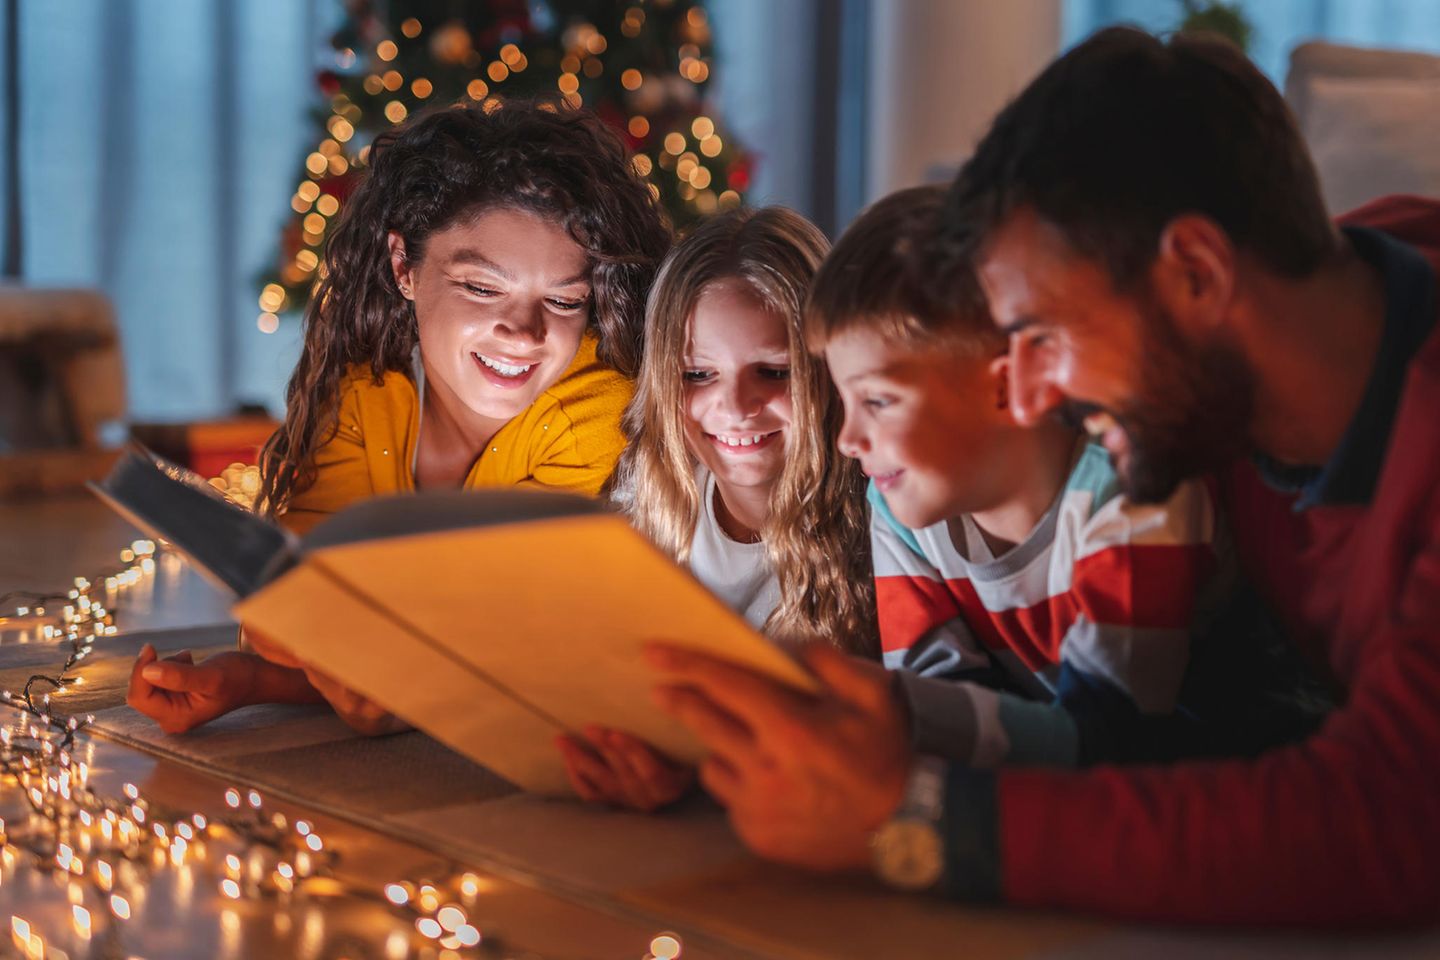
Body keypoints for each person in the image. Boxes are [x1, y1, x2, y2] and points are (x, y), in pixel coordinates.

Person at [648, 27, 1440, 925]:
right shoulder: (1268, 353)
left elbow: (1390, 822)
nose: (1025, 393)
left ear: (1196, 273)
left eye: (1042, 336)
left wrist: (910, 823)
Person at [128, 100, 670, 737]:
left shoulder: (596, 410)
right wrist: (250, 679)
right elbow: (298, 619)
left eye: (562, 299)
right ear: (403, 267)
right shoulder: (363, 394)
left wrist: (387, 675)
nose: (524, 332)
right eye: (482, 287)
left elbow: (501, 650)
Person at [809, 184, 1314, 770]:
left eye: (877, 401)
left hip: (1222, 776)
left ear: (1005, 386)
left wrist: (893, 710)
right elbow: (937, 700)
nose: (848, 440)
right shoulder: (898, 504)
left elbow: (1114, 731)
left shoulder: (1138, 489)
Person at [558, 206, 876, 811]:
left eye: (774, 372)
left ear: (830, 371)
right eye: (698, 373)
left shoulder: (880, 523)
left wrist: (693, 776)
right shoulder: (645, 494)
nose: (735, 406)